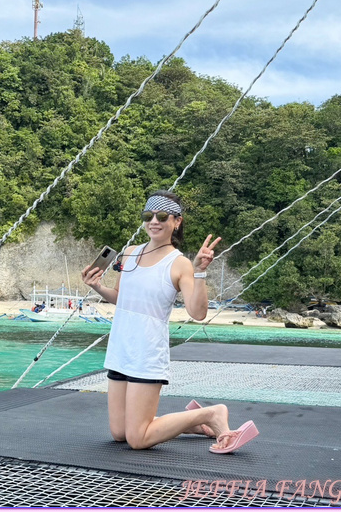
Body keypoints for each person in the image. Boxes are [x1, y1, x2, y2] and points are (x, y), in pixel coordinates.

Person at [81, 190, 258, 454]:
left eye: (162, 216)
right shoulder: (130, 253)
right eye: (148, 215)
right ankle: (190, 422)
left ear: (176, 222)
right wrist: (97, 286)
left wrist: (200, 272)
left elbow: (198, 313)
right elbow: (120, 298)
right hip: (120, 350)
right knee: (120, 434)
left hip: (147, 355)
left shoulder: (179, 264)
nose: (154, 221)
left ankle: (210, 414)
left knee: (137, 439)